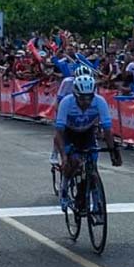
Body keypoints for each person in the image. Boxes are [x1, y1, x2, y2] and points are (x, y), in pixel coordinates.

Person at [53, 74, 122, 211]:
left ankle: (96, 202)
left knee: (92, 166)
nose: (86, 101)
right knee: (72, 162)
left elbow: (107, 129)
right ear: (75, 94)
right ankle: (64, 187)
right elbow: (59, 133)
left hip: (87, 133)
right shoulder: (66, 102)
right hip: (69, 133)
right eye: (82, 98)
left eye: (89, 97)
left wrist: (113, 151)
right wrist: (64, 156)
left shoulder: (99, 101)